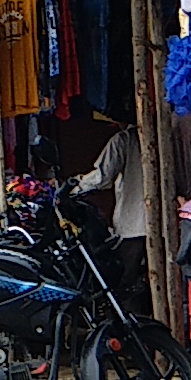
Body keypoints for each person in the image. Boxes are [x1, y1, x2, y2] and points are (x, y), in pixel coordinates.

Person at [70, 124, 151, 312]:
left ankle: (133, 329)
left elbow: (102, 177)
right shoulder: (167, 132)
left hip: (133, 225)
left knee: (125, 285)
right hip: (164, 225)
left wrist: (75, 185)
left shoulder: (123, 140)